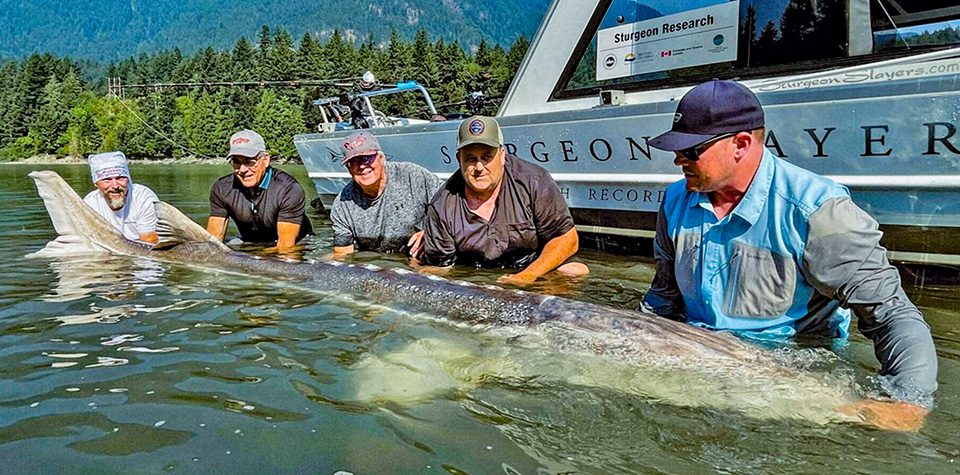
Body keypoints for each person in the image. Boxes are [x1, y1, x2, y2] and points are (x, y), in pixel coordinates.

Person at [642, 79, 938, 430]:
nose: (678, 160)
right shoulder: (675, 199)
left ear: (740, 144)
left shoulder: (818, 211)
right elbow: (663, 298)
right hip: (697, 357)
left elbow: (892, 315)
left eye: (691, 151)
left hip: (788, 372)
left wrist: (908, 401)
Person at [418, 115, 588, 285]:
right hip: (475, 272)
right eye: (470, 158)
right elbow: (440, 268)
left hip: (530, 265)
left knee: (575, 270)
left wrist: (529, 275)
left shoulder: (534, 181)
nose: (479, 167)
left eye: (486, 157)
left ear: (502, 155)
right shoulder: (441, 204)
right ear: (458, 159)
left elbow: (567, 239)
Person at [331, 131, 442, 256]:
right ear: (348, 168)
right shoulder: (342, 204)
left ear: (381, 158)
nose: (362, 166)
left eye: (367, 158)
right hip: (376, 265)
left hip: (421, 257)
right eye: (354, 161)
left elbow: (452, 205)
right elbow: (342, 255)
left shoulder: (413, 176)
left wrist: (431, 231)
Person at [206, 129, 313, 252]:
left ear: (266, 160)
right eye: (236, 162)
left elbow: (286, 248)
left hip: (296, 242)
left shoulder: (288, 189)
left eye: (249, 162)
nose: (242, 169)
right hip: (249, 241)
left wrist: (258, 255)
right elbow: (213, 240)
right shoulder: (222, 188)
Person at [83, 151, 159, 244]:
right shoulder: (90, 204)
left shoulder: (143, 197)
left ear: (128, 179)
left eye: (120, 178)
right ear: (96, 183)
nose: (115, 186)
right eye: (107, 180)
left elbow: (150, 243)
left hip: (142, 251)